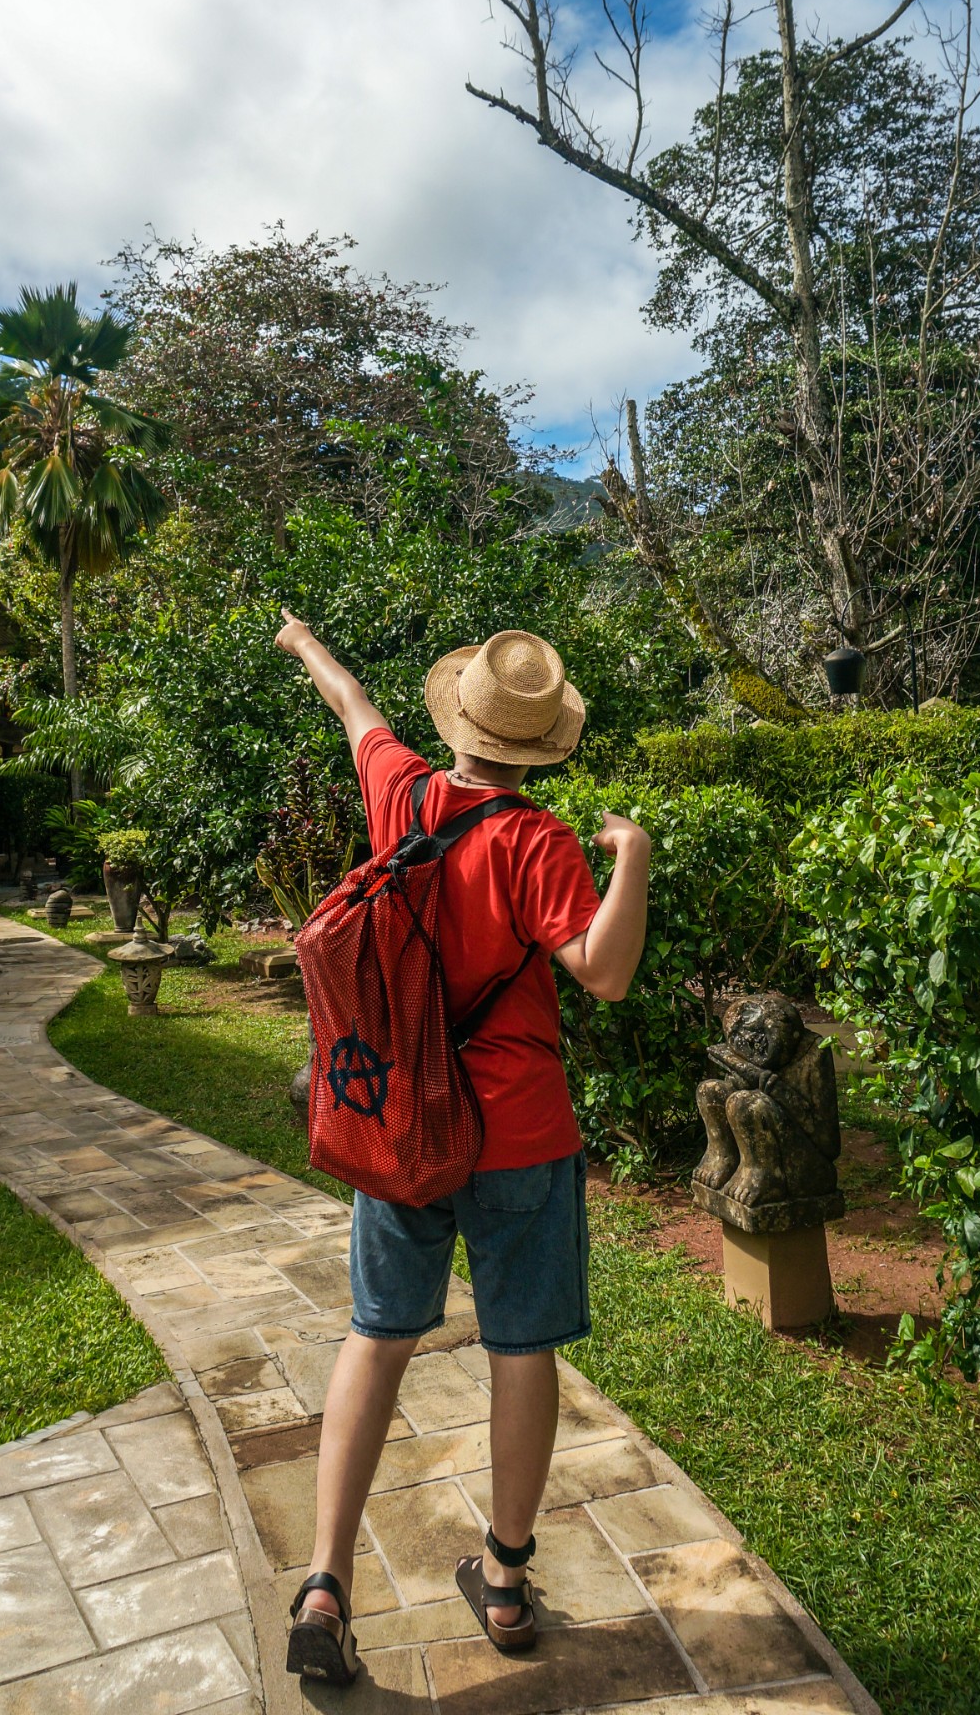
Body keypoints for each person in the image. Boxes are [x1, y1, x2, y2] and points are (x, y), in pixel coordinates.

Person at [274, 613, 651, 1686]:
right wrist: (629, 856)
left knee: (376, 1334)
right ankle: (502, 1575)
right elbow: (603, 970)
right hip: (518, 1132)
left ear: (461, 722)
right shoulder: (535, 840)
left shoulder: (400, 794)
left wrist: (302, 641)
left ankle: (324, 1581)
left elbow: (353, 704)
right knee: (519, 1348)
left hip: (399, 1125)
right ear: (541, 744)